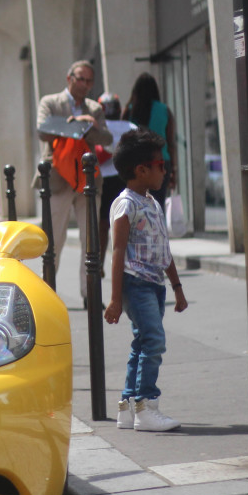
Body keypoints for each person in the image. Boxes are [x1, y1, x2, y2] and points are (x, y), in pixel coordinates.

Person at [104, 128, 188, 432]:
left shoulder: (151, 203)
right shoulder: (126, 204)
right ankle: (145, 405)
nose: (165, 171)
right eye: (161, 165)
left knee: (142, 342)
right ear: (141, 170)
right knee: (154, 340)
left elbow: (164, 251)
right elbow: (118, 251)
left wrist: (177, 288)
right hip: (135, 282)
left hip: (154, 284)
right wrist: (115, 298)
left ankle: (127, 406)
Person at [36, 60, 113, 301]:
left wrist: (84, 128)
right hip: (58, 178)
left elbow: (106, 137)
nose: (85, 84)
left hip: (88, 180)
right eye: (81, 79)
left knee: (90, 239)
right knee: (53, 240)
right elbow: (43, 130)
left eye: (89, 80)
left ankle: (89, 292)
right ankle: (47, 292)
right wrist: (80, 123)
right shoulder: (50, 102)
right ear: (69, 78)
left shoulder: (95, 108)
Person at [123, 72, 176, 205]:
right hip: (160, 162)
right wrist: (173, 170)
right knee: (157, 204)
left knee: (135, 203)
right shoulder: (164, 110)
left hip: (136, 163)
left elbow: (123, 139)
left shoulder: (130, 110)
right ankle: (157, 226)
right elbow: (171, 143)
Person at [96, 93, 135, 260]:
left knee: (102, 224)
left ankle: (99, 261)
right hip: (125, 180)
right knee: (125, 223)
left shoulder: (98, 128)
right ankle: (125, 263)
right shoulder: (131, 127)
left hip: (103, 179)